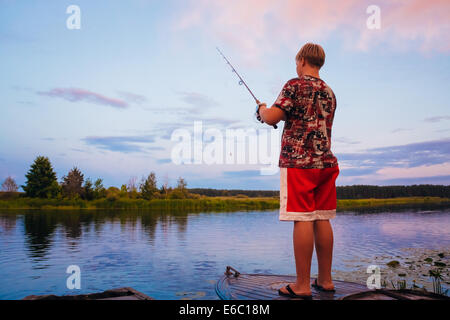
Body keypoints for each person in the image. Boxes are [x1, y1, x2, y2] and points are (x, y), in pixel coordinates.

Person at [257, 43, 339, 299]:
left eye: (297, 62)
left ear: (303, 60)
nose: (296, 66)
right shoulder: (330, 92)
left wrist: (261, 110)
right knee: (322, 217)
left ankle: (302, 285)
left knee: (302, 218)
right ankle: (325, 279)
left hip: (298, 163)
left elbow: (272, 117)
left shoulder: (294, 84)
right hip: (325, 163)